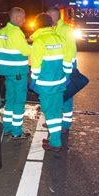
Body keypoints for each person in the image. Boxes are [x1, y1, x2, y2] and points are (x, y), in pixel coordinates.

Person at [30, 13, 72, 151]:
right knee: (56, 110)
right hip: (60, 83)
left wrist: (34, 80)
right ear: (51, 25)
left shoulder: (39, 41)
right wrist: (66, 77)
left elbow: (36, 65)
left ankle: (55, 142)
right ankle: (55, 139)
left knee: (50, 113)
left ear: (37, 25)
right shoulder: (60, 39)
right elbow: (67, 61)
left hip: (45, 85)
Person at [0, 7, 32, 139]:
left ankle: (7, 128)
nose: (24, 21)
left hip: (7, 72)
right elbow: (26, 51)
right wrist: (36, 47)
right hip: (18, 72)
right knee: (19, 102)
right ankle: (17, 132)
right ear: (16, 17)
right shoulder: (16, 32)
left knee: (9, 101)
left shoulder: (1, 31)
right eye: (23, 18)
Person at [47, 7, 77, 133]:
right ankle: (56, 122)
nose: (48, 18)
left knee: (66, 94)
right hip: (55, 66)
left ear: (56, 16)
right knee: (56, 95)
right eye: (47, 16)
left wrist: (67, 69)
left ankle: (65, 124)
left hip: (66, 66)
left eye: (50, 16)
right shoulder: (50, 29)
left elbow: (71, 50)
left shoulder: (66, 29)